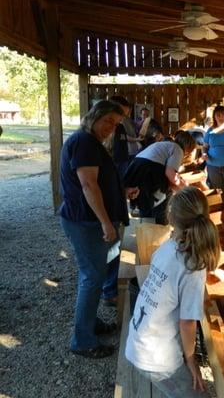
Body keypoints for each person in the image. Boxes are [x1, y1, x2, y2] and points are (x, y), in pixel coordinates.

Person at [60, 100, 139, 358]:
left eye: (116, 124)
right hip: (85, 222)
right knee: (92, 277)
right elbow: (88, 186)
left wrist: (121, 192)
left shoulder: (90, 141)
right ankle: (82, 340)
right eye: (108, 121)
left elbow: (100, 182)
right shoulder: (84, 142)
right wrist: (106, 222)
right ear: (94, 116)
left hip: (88, 220)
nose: (111, 128)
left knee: (94, 275)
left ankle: (90, 324)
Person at [125, 187, 220, 397]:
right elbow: (187, 323)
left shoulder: (167, 248)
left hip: (139, 341)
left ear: (171, 217)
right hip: (156, 358)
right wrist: (191, 360)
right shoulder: (193, 265)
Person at [124, 131, 196, 224]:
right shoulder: (178, 149)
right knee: (158, 204)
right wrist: (187, 190)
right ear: (188, 148)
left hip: (136, 168)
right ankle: (158, 229)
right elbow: (170, 174)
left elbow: (170, 177)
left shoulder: (166, 144)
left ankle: (147, 232)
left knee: (146, 207)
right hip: (147, 171)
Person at [109, 96, 142, 178]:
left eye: (125, 115)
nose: (123, 117)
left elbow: (123, 139)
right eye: (121, 114)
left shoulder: (120, 126)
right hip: (114, 162)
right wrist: (136, 140)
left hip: (124, 159)